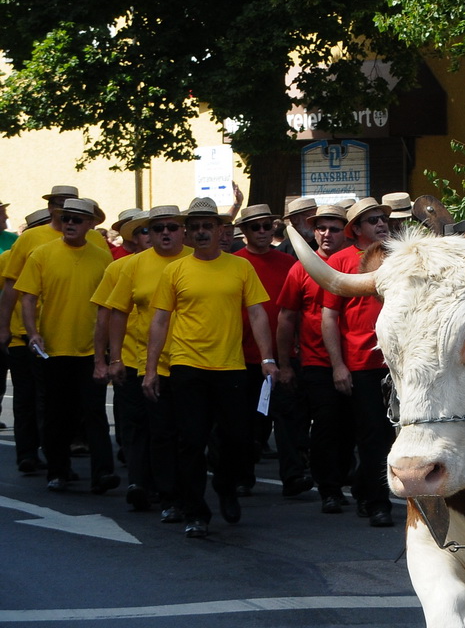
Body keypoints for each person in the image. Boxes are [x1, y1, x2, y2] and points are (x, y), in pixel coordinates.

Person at [144, 197, 277, 537]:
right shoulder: (175, 270)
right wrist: (150, 370)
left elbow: (258, 313)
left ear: (221, 231)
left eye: (208, 226)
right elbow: (160, 321)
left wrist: (267, 358)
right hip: (187, 365)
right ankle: (195, 513)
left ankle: (225, 485)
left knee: (236, 438)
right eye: (196, 227)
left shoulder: (240, 267)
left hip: (230, 366)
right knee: (191, 440)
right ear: (187, 233)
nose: (202, 232)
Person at [15, 197, 118, 493]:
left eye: (76, 219)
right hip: (53, 349)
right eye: (66, 219)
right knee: (58, 413)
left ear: (91, 224)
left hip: (90, 350)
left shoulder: (102, 257)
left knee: (94, 411)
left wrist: (110, 349)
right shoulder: (42, 254)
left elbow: (109, 306)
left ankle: (103, 473)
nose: (69, 224)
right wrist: (32, 333)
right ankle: (58, 470)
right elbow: (28, 297)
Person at [95, 204, 190, 513]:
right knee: (141, 426)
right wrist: (112, 358)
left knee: (178, 430)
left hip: (188, 360)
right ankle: (142, 483)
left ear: (182, 230)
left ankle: (177, 486)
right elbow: (112, 314)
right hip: (138, 360)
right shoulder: (127, 266)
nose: (163, 233)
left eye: (171, 227)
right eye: (154, 228)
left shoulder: (195, 260)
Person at [277, 203, 355, 515]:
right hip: (317, 362)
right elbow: (286, 318)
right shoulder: (301, 267)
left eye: (334, 229)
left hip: (358, 362)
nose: (325, 234)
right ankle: (329, 490)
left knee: (351, 428)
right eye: (321, 228)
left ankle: (346, 480)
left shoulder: (356, 263)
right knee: (325, 427)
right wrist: (284, 363)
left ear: (346, 233)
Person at [322, 198, 395, 527]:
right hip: (362, 363)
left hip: (398, 361)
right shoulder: (339, 261)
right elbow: (329, 317)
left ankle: (367, 489)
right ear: (355, 230)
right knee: (372, 434)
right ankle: (379, 503)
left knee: (396, 432)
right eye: (372, 220)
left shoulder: (397, 255)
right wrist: (338, 365)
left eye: (382, 218)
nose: (381, 224)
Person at [234, 201, 306, 498]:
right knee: (247, 422)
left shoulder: (288, 263)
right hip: (243, 357)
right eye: (256, 227)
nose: (262, 231)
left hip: (283, 355)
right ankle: (242, 476)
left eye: (267, 226)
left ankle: (293, 478)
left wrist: (294, 347)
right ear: (245, 231)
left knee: (288, 420)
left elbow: (297, 308)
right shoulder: (235, 263)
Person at [0, 207, 57, 473]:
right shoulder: (10, 258)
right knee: (26, 396)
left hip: (49, 334)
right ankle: (27, 454)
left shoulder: (55, 256)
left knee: (48, 397)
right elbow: (7, 294)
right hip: (19, 335)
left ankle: (55, 450)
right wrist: (3, 329)